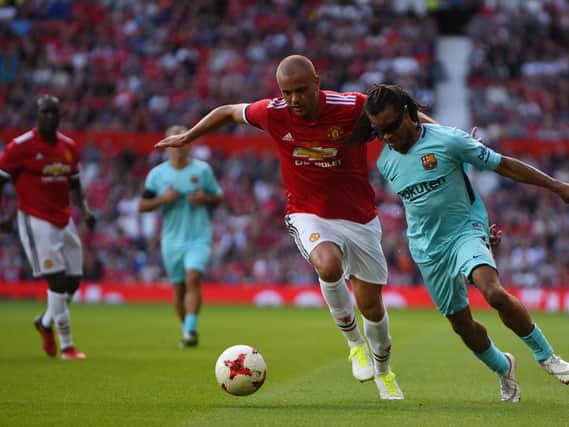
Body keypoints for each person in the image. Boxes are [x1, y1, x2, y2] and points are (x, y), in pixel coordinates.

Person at [155, 55, 436, 400]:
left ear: (317, 82)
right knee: (328, 264)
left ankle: (384, 370)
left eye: (301, 91)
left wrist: (441, 135)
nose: (294, 100)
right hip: (307, 212)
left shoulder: (351, 107)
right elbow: (229, 110)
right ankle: (354, 345)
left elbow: (401, 112)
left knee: (371, 307)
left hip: (359, 217)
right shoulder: (273, 113)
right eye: (287, 92)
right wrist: (189, 137)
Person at [364, 83, 569, 402]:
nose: (387, 137)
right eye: (379, 132)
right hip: (427, 248)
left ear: (407, 115)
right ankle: (504, 367)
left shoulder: (450, 141)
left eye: (391, 127)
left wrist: (558, 187)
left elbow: (504, 165)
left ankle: (547, 357)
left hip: (465, 231)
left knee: (494, 293)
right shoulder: (385, 163)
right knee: (462, 326)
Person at [0, 94, 95, 360]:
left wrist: (85, 209)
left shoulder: (68, 147)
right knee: (57, 280)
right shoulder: (20, 147)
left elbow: (74, 183)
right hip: (35, 218)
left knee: (73, 281)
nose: (50, 117)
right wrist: (5, 216)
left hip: (64, 218)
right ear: (37, 115)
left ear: (60, 116)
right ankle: (67, 346)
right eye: (45, 113)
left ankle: (44, 322)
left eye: (54, 113)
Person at [139, 125, 223, 348]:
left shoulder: (202, 170)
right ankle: (187, 328)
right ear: (166, 146)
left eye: (182, 142)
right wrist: (163, 199)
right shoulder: (157, 175)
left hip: (199, 236)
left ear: (189, 144)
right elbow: (143, 205)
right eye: (173, 144)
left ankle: (190, 330)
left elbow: (218, 197)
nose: (178, 148)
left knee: (193, 277)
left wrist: (204, 198)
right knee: (178, 289)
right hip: (171, 240)